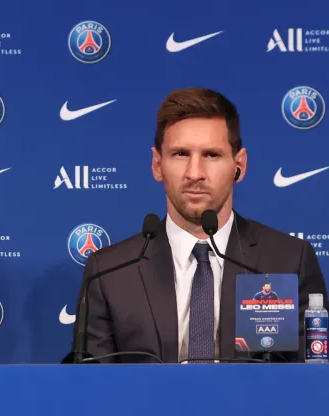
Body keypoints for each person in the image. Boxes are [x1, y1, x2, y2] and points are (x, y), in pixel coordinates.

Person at [70, 87, 328, 363]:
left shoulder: (288, 260)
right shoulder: (109, 272)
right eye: (180, 154)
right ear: (157, 165)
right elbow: (95, 391)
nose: (195, 174)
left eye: (211, 155)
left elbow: (311, 382)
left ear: (239, 165)